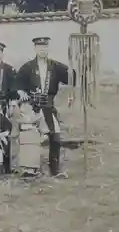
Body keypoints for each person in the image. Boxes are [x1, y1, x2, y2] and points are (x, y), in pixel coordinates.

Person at [15, 36, 75, 178]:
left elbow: (71, 78)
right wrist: (20, 91)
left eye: (45, 47)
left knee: (55, 137)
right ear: (35, 49)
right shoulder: (28, 67)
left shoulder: (55, 66)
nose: (42, 50)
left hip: (48, 106)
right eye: (39, 47)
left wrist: (77, 69)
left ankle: (55, 169)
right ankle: (30, 169)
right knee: (31, 138)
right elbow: (17, 83)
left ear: (48, 48)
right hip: (33, 107)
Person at [13, 101, 45, 178]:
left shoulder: (38, 116)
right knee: (25, 153)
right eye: (23, 106)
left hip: (34, 136)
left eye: (27, 105)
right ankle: (25, 170)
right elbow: (16, 129)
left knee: (33, 153)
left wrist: (43, 134)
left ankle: (33, 169)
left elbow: (42, 127)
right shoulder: (18, 118)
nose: (25, 108)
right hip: (24, 136)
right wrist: (16, 137)